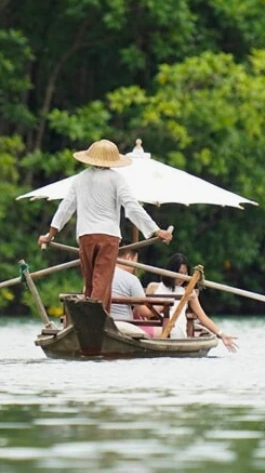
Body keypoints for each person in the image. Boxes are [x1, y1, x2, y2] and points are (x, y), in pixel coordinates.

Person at [38, 139, 172, 313]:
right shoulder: (116, 179)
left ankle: (95, 316)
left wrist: (50, 234)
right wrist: (156, 230)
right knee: (102, 280)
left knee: (91, 281)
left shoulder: (80, 179)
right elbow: (132, 206)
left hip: (86, 236)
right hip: (108, 236)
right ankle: (95, 317)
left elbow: (66, 208)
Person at [147, 253, 238, 352]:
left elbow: (202, 317)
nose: (181, 277)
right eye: (178, 273)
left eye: (184, 273)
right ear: (171, 272)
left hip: (176, 332)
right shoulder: (154, 287)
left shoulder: (189, 292)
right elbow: (144, 312)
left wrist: (222, 335)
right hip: (155, 330)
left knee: (166, 331)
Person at [110, 247, 156, 322]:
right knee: (160, 330)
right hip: (123, 325)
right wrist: (161, 307)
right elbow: (144, 311)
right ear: (129, 257)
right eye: (135, 261)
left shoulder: (99, 275)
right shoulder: (131, 279)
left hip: (101, 323)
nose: (134, 267)